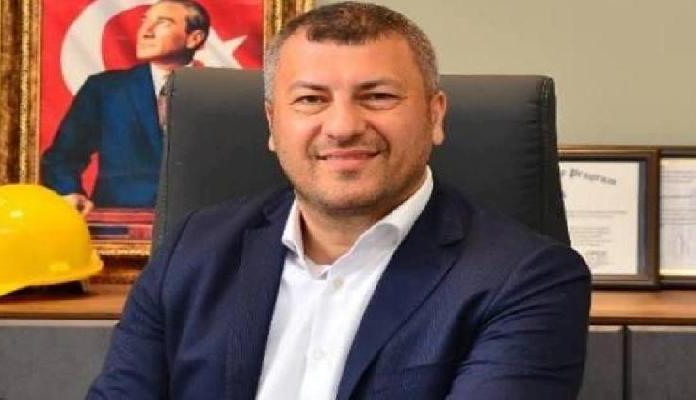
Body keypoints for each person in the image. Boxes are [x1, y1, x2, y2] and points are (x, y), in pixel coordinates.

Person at [88, 2, 591, 399]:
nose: (344, 126)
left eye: (378, 96)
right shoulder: (192, 252)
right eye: (311, 99)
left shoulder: (526, 279)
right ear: (272, 124)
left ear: (435, 116)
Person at [41, 0, 210, 213]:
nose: (146, 31)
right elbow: (61, 158)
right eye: (144, 22)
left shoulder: (219, 94)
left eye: (162, 23)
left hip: (201, 224)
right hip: (118, 222)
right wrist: (70, 192)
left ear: (194, 38)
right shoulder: (105, 89)